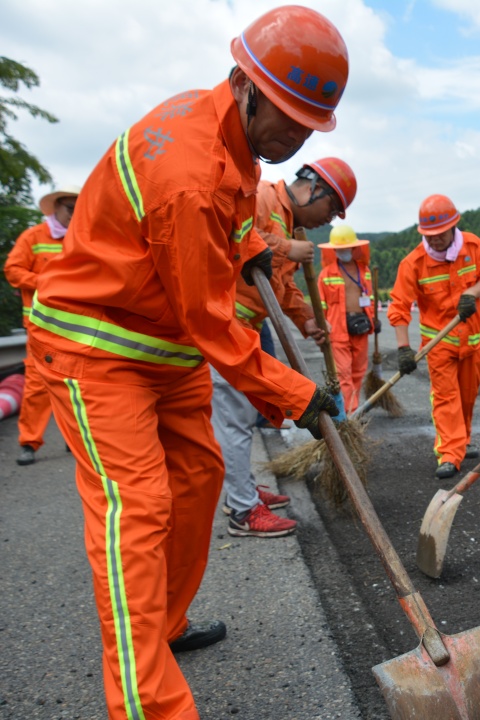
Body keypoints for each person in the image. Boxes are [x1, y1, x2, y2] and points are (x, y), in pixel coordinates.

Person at [24, 7, 348, 718]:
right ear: (244, 83)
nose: (291, 139)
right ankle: (147, 702)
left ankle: (165, 624)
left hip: (162, 346)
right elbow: (211, 320)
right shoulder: (186, 172)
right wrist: (296, 393)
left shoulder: (230, 144)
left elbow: (216, 235)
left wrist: (248, 247)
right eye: (287, 119)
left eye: (306, 128)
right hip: (96, 349)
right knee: (134, 512)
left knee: (199, 483)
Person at [213, 157, 356, 537]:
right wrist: (285, 247)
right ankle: (243, 510)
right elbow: (231, 233)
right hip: (222, 325)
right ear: (313, 188)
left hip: (246, 329)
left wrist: (307, 320)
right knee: (235, 419)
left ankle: (240, 489)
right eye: (332, 208)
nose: (328, 219)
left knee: (240, 416)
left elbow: (283, 289)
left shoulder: (289, 222)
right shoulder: (260, 198)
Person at [388, 194, 480, 479]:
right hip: (438, 345)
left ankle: (462, 440)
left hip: (473, 341)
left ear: (453, 226)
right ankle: (449, 453)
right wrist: (404, 348)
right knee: (445, 397)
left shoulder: (473, 247)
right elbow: (399, 306)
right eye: (429, 235)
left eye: (440, 234)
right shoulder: (413, 263)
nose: (435, 240)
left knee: (467, 396)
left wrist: (471, 293)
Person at [3, 184, 80, 466]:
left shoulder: (85, 236)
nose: (75, 215)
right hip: (40, 327)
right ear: (57, 207)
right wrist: (48, 284)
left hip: (76, 326)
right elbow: (13, 270)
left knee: (76, 386)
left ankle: (76, 440)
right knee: (36, 386)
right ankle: (29, 443)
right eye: (71, 209)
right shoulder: (33, 236)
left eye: (78, 210)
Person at [316, 223, 378, 414]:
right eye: (339, 249)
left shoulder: (364, 271)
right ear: (334, 250)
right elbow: (321, 305)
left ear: (353, 247)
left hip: (361, 325)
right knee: (343, 374)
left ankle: (353, 408)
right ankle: (351, 412)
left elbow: (371, 297)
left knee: (359, 371)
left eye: (346, 248)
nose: (343, 252)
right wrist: (322, 328)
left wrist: (374, 319)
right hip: (337, 329)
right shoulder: (326, 275)